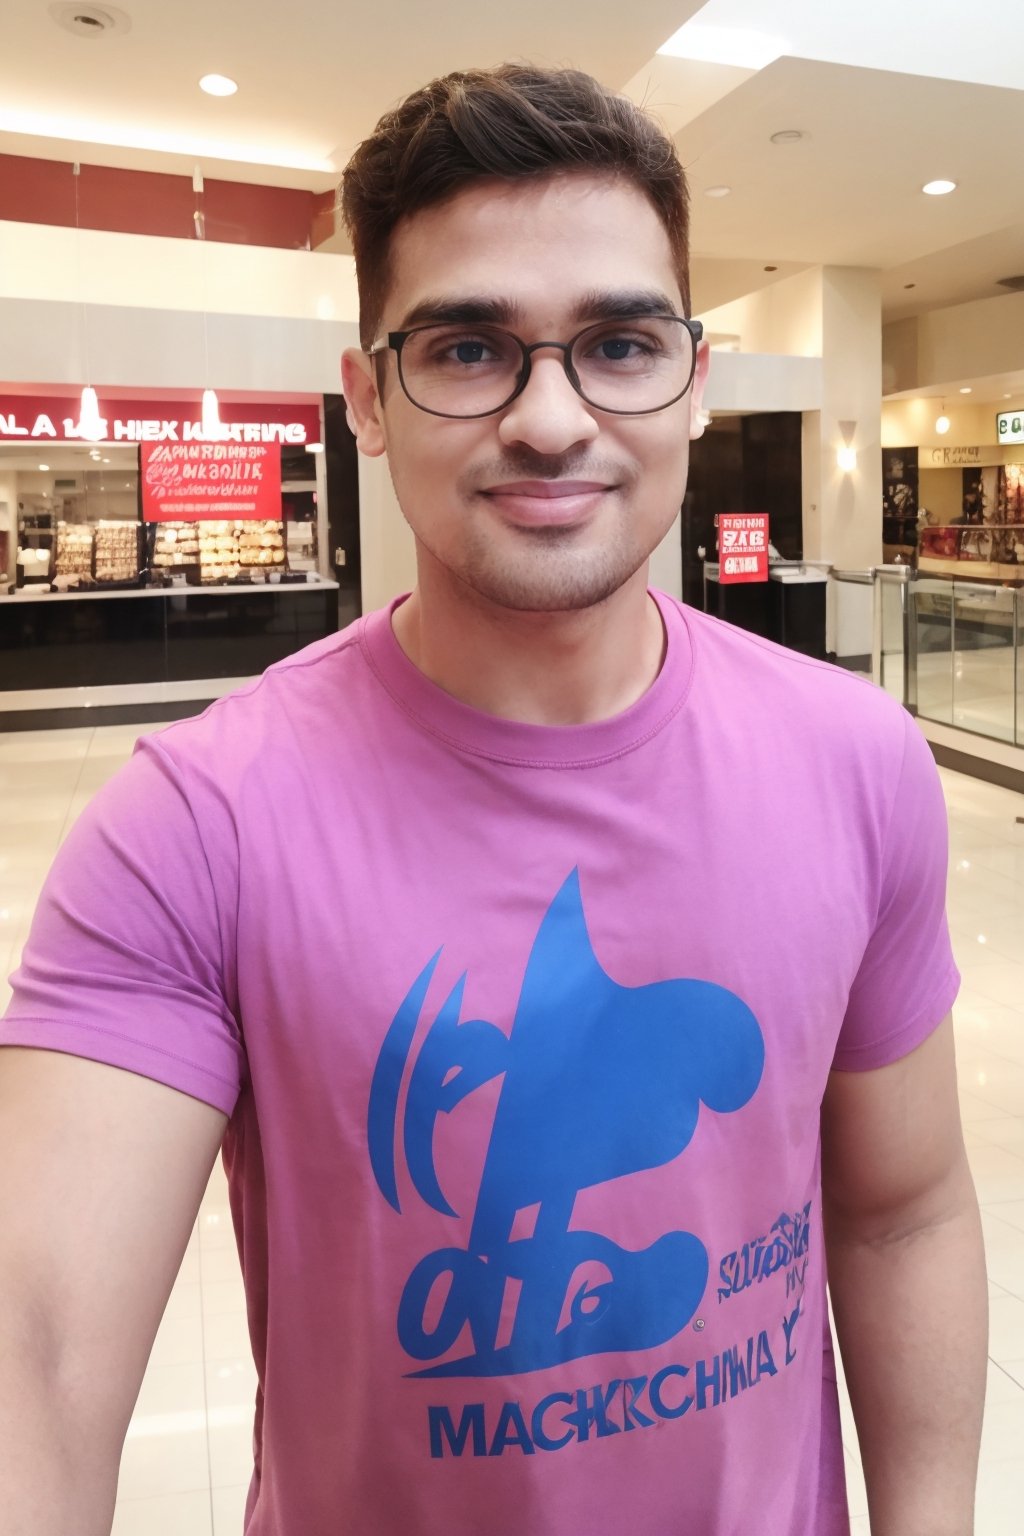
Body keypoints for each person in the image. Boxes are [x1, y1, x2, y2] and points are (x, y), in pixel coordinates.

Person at [0, 64, 985, 1536]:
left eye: (619, 342)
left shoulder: (858, 762)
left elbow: (905, 1211)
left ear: (693, 381)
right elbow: (40, 1352)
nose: (550, 417)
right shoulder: (198, 824)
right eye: (469, 348)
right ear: (370, 402)